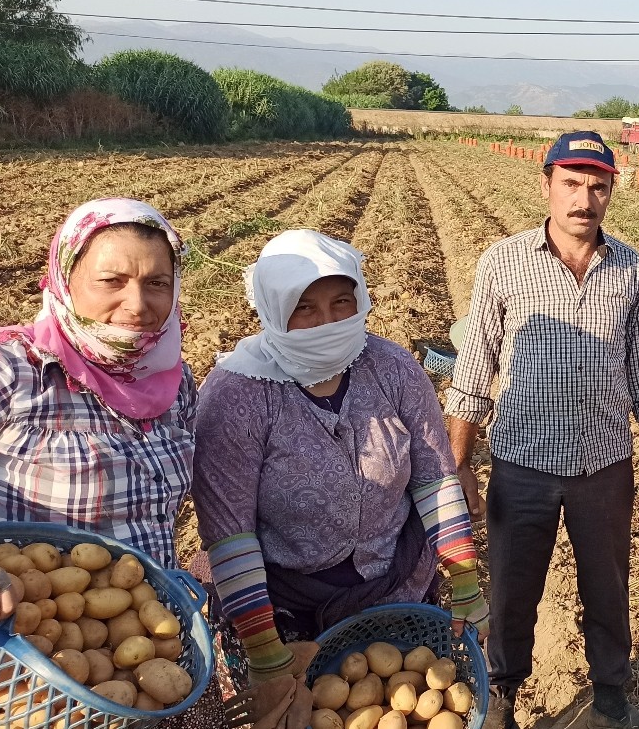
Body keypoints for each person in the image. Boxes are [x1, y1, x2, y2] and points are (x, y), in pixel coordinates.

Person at [192, 230, 489, 723]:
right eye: (304, 308)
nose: (327, 322)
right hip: (282, 605)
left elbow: (435, 482)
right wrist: (266, 650)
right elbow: (230, 534)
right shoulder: (236, 395)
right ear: (271, 309)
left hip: (395, 587)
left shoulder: (391, 367)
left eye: (341, 303)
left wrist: (465, 583)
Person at [444, 131, 639, 729]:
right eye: (570, 184)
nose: (583, 199)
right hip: (523, 465)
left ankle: (612, 702)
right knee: (513, 592)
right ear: (546, 185)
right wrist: (459, 464)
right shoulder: (503, 261)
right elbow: (474, 370)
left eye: (597, 187)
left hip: (603, 464)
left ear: (610, 194)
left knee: (608, 590)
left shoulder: (628, 266)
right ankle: (501, 700)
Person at [0, 198, 223, 727]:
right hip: (22, 656)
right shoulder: (13, 370)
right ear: (65, 279)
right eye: (112, 280)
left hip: (135, 657)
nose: (138, 304)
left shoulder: (176, 382)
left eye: (158, 283)